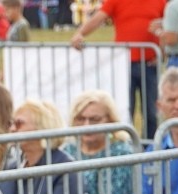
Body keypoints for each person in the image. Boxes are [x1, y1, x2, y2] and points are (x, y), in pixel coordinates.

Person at [70, 0, 166, 138]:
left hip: (150, 64)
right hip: (123, 66)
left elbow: (169, 24)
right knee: (126, 109)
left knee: (151, 111)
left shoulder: (160, 2)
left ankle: (151, 148)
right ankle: (128, 146)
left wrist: (162, 53)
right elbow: (98, 18)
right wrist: (80, 34)